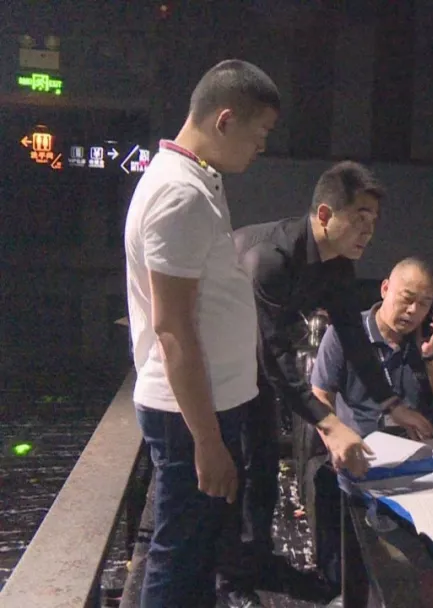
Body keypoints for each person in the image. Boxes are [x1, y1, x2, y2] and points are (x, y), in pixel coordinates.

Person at [226, 161, 433, 605]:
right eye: (360, 218)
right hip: (221, 365)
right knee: (236, 470)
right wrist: (329, 422)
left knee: (263, 464)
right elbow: (274, 356)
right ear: (325, 214)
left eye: (374, 221)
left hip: (255, 365)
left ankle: (257, 560)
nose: (369, 231)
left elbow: (354, 338)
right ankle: (230, 583)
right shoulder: (269, 258)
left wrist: (391, 402)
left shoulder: (337, 266)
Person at [123, 59, 279, 607]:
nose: (262, 147)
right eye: (259, 133)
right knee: (179, 557)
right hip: (189, 415)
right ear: (225, 120)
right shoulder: (180, 194)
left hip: (204, 408)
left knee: (196, 552)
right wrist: (208, 442)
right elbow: (172, 329)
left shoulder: (195, 179)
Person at [308, 257, 433, 584]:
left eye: (424, 304)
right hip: (364, 459)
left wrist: (430, 357)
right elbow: (319, 395)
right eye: (407, 299)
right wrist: (336, 441)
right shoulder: (346, 334)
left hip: (418, 462)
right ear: (385, 288)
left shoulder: (426, 339)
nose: (413, 311)